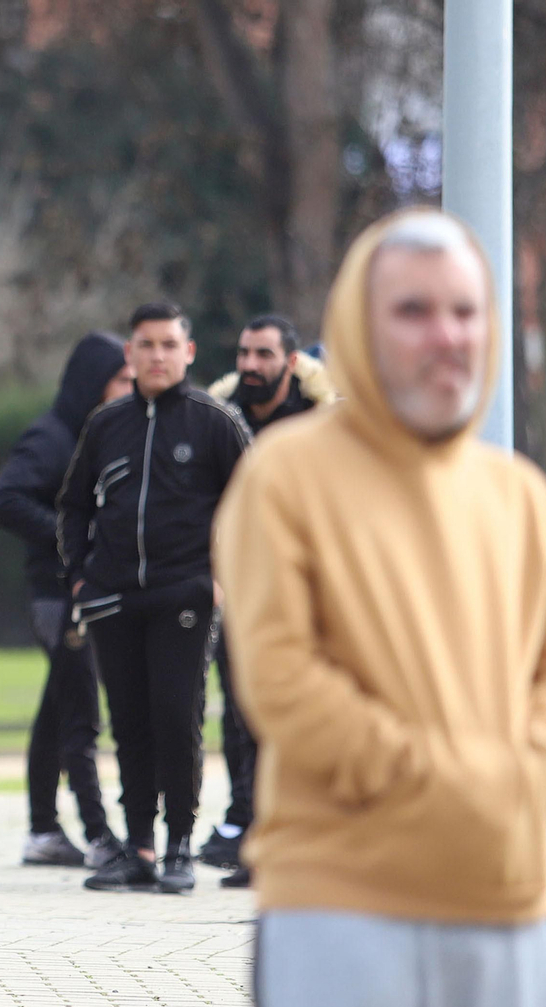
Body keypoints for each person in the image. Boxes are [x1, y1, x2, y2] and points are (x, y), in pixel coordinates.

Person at [215, 209, 546, 1007]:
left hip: (508, 910)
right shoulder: (285, 477)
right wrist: (448, 781)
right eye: (414, 311)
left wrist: (518, 777)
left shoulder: (524, 500)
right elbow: (281, 677)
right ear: (359, 328)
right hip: (340, 907)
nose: (447, 335)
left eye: (465, 311)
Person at [57, 301, 250, 894]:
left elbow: (257, 505)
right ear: (130, 353)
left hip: (184, 595)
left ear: (188, 352)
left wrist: (224, 578)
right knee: (129, 722)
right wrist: (80, 577)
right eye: (147, 345)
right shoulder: (106, 424)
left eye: (169, 345)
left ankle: (179, 846)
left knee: (176, 715)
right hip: (113, 596)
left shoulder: (214, 421)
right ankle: (138, 846)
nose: (158, 356)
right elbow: (73, 505)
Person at [198, 315, 337, 887]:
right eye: (244, 354)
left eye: (264, 355)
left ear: (292, 362)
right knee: (240, 715)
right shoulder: (218, 420)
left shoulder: (319, 422)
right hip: (238, 590)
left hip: (308, 592)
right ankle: (252, 832)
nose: (250, 365)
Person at [0, 332, 134, 869]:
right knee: (80, 713)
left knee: (59, 710)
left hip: (91, 590)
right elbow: (5, 500)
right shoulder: (52, 438)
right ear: (94, 383)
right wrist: (73, 537)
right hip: (57, 596)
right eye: (121, 379)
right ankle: (99, 836)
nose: (131, 388)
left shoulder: (105, 433)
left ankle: (44, 831)